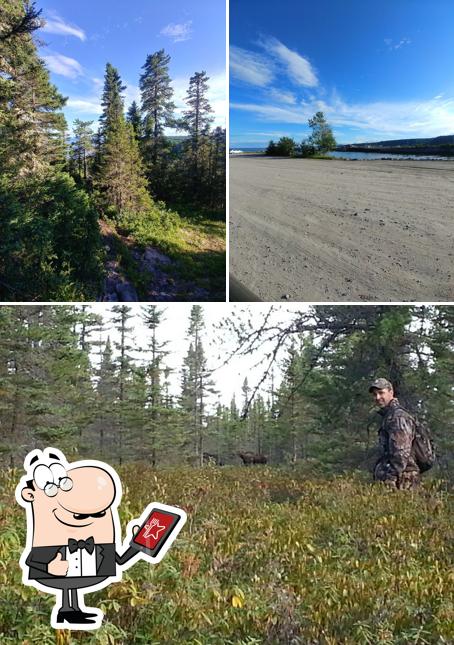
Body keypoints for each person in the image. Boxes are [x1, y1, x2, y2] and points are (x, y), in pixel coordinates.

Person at [369, 378, 420, 490]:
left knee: (403, 507)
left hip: (402, 480)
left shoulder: (398, 417)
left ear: (391, 392)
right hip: (398, 478)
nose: (377, 397)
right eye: (375, 394)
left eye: (381, 393)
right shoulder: (389, 416)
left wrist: (390, 477)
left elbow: (401, 453)